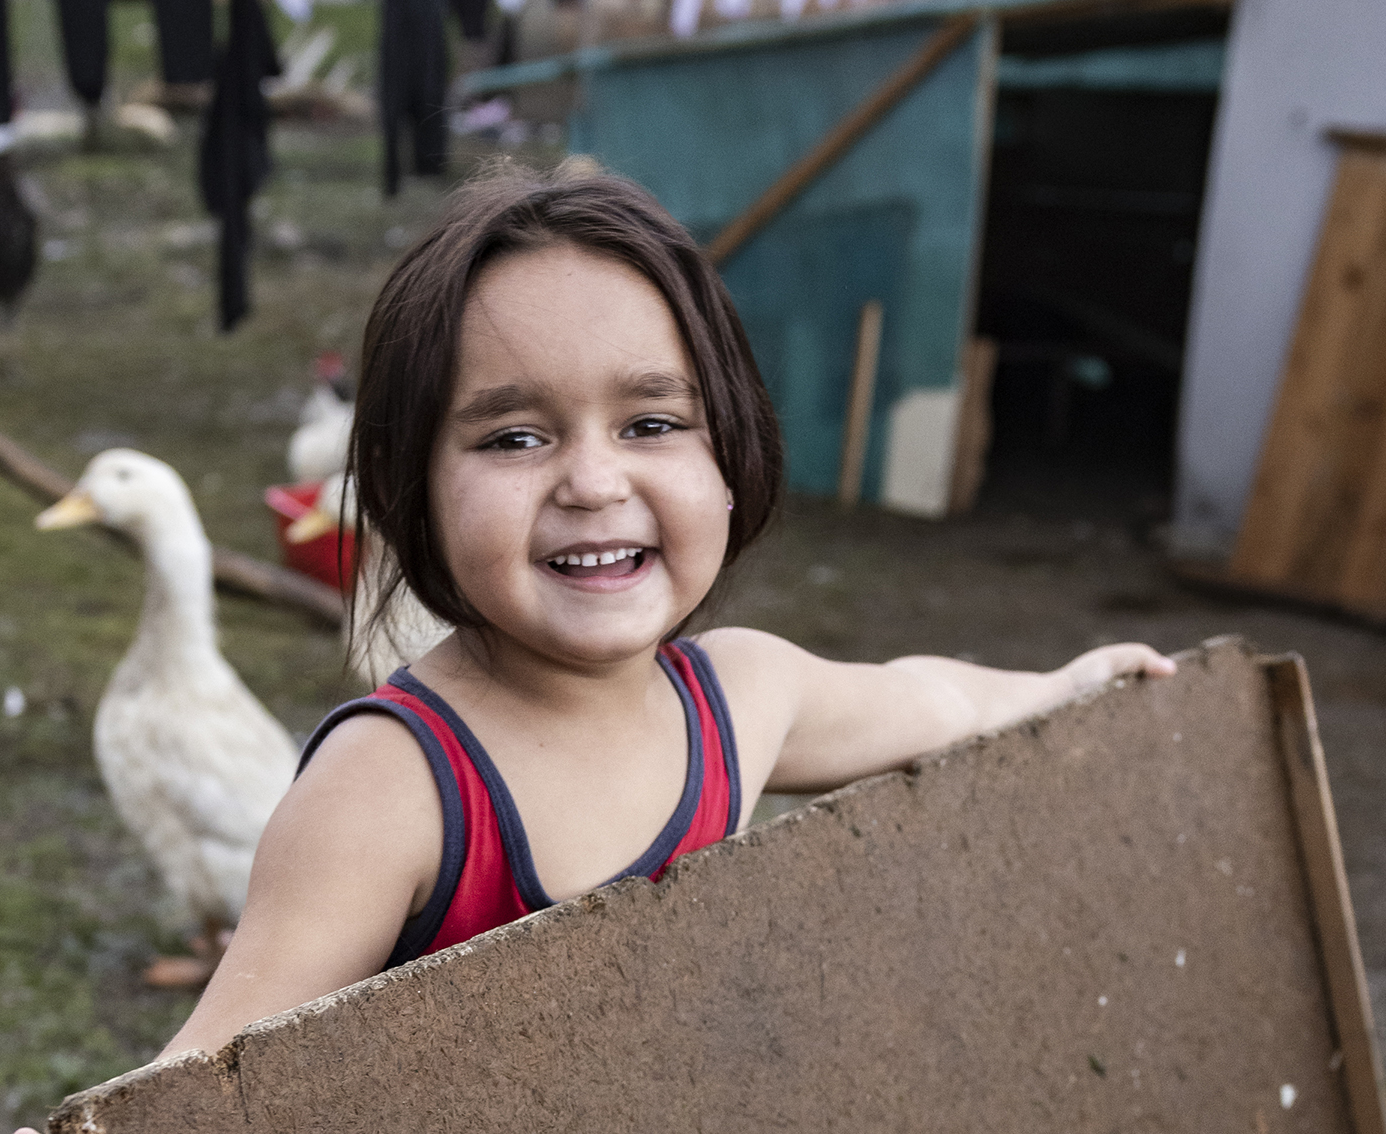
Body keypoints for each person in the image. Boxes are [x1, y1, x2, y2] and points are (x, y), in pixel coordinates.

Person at [168, 161, 1178, 1066]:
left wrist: (1062, 686)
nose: (594, 481)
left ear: (729, 454)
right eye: (516, 438)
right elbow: (202, 1082)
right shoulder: (391, 789)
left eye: (652, 423)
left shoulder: (739, 697)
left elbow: (930, 698)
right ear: (406, 484)